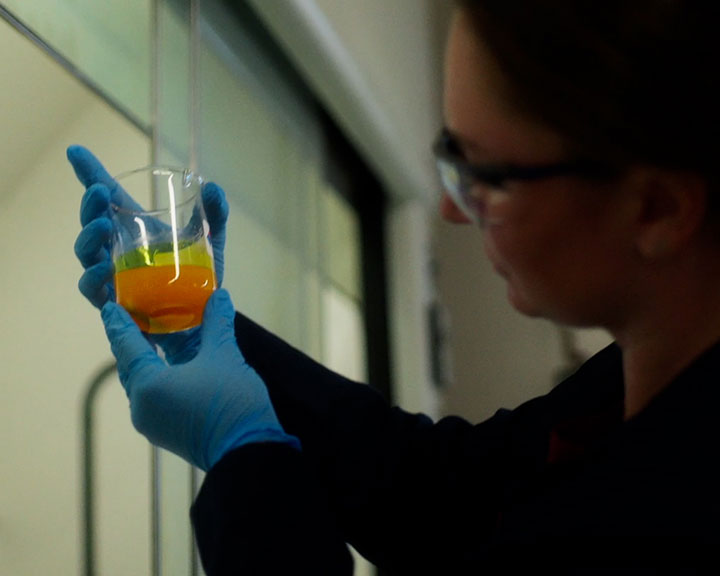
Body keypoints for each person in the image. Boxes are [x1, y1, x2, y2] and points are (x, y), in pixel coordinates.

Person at [70, 0, 720, 573]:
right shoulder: (630, 383)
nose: (451, 211)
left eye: (486, 175)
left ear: (657, 208)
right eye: (451, 159)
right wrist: (199, 317)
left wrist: (246, 459)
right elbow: (442, 493)